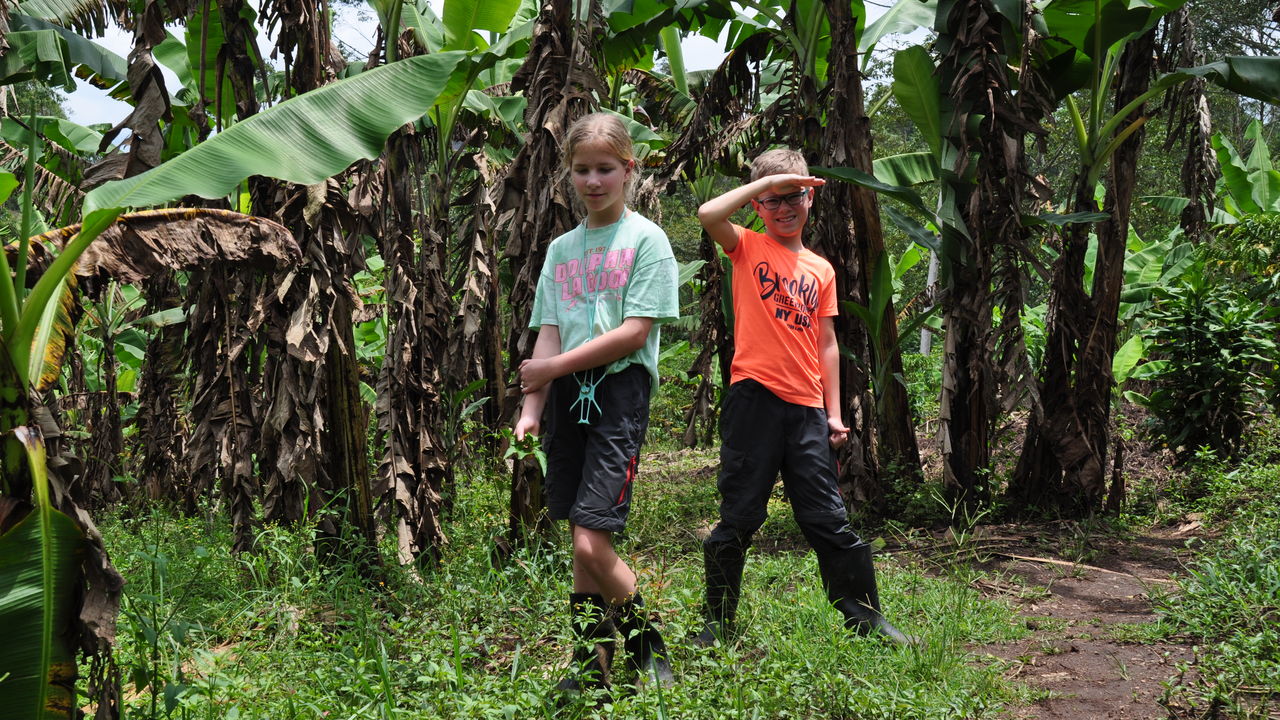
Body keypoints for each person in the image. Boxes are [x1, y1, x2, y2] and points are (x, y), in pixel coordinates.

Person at [693, 148, 912, 646]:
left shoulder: (821, 269)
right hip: (754, 399)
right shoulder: (747, 245)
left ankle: (864, 617)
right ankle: (717, 622)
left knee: (827, 517)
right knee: (740, 515)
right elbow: (708, 214)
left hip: (808, 409)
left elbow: (827, 343)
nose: (783, 208)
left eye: (794, 196)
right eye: (772, 201)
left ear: (810, 197)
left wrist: (833, 414)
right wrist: (766, 185)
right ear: (758, 206)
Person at [514, 112, 680, 694]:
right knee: (581, 539)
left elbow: (636, 332)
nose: (593, 181)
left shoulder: (647, 240)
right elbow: (549, 331)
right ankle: (591, 665)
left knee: (591, 538)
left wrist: (551, 370)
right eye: (581, 170)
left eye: (605, 169)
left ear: (629, 170)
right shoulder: (561, 250)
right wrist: (532, 409)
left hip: (619, 391)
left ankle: (645, 645)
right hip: (565, 399)